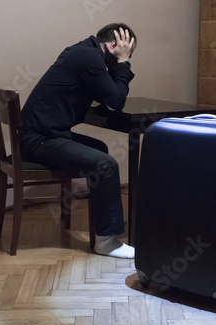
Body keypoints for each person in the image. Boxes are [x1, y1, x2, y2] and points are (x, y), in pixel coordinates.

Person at [19, 23, 137, 259]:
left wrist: (115, 66)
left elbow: (108, 93)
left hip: (42, 134)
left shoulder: (84, 52)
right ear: (114, 45)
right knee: (106, 164)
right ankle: (106, 242)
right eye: (126, 51)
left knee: (100, 150)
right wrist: (123, 63)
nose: (126, 57)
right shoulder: (88, 57)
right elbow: (115, 100)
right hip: (40, 140)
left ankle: (103, 224)